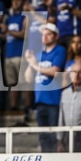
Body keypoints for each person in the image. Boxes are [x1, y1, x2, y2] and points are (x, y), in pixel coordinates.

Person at [25, 23, 67, 151]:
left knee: (54, 134)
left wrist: (35, 65)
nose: (45, 37)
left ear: (56, 36)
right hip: (40, 101)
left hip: (53, 100)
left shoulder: (60, 50)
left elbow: (55, 71)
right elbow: (28, 78)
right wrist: (30, 62)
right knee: (43, 136)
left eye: (49, 34)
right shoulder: (38, 55)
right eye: (43, 34)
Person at [1, 0, 26, 111]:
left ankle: (27, 106)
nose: (15, 3)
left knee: (24, 82)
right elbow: (6, 36)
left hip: (20, 53)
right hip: (8, 54)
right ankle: (14, 106)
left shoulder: (25, 16)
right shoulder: (9, 18)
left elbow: (24, 34)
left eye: (18, 0)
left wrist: (8, 31)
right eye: (13, 0)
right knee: (12, 83)